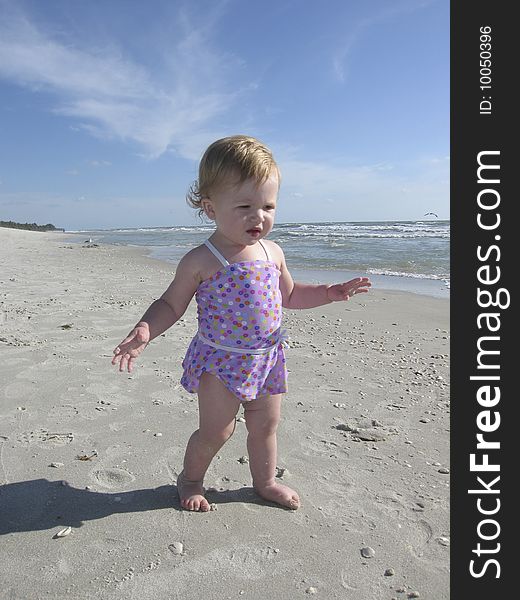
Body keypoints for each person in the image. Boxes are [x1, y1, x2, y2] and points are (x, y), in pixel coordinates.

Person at [111, 135, 371, 512]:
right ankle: (191, 480)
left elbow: (291, 295)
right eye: (245, 205)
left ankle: (265, 482)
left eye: (268, 205)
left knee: (265, 426)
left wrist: (329, 292)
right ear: (210, 207)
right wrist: (146, 328)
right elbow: (170, 303)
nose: (259, 216)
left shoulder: (273, 251)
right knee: (218, 430)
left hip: (267, 358)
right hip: (221, 361)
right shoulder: (201, 259)